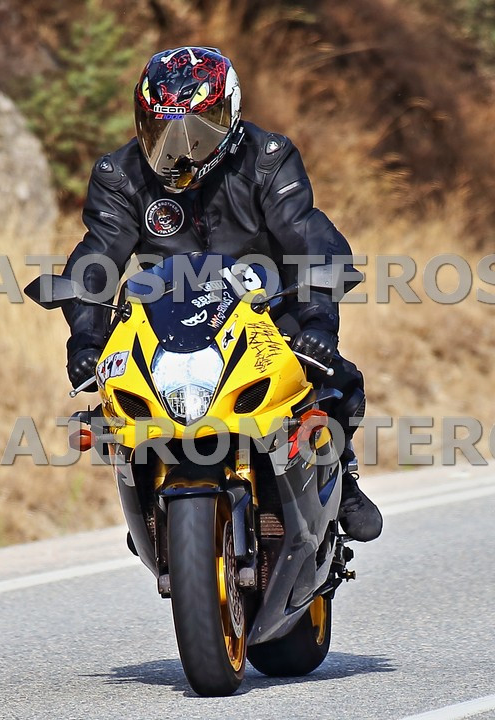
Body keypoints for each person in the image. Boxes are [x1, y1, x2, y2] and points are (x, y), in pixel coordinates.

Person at [61, 46, 382, 542]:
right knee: (112, 409)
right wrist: (85, 340)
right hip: (165, 317)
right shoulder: (120, 175)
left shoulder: (268, 159)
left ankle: (341, 478)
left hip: (265, 309)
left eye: (197, 130)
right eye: (162, 130)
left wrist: (319, 321)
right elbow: (95, 261)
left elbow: (310, 238)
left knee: (338, 382)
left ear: (229, 117)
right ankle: (149, 498)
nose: (179, 147)